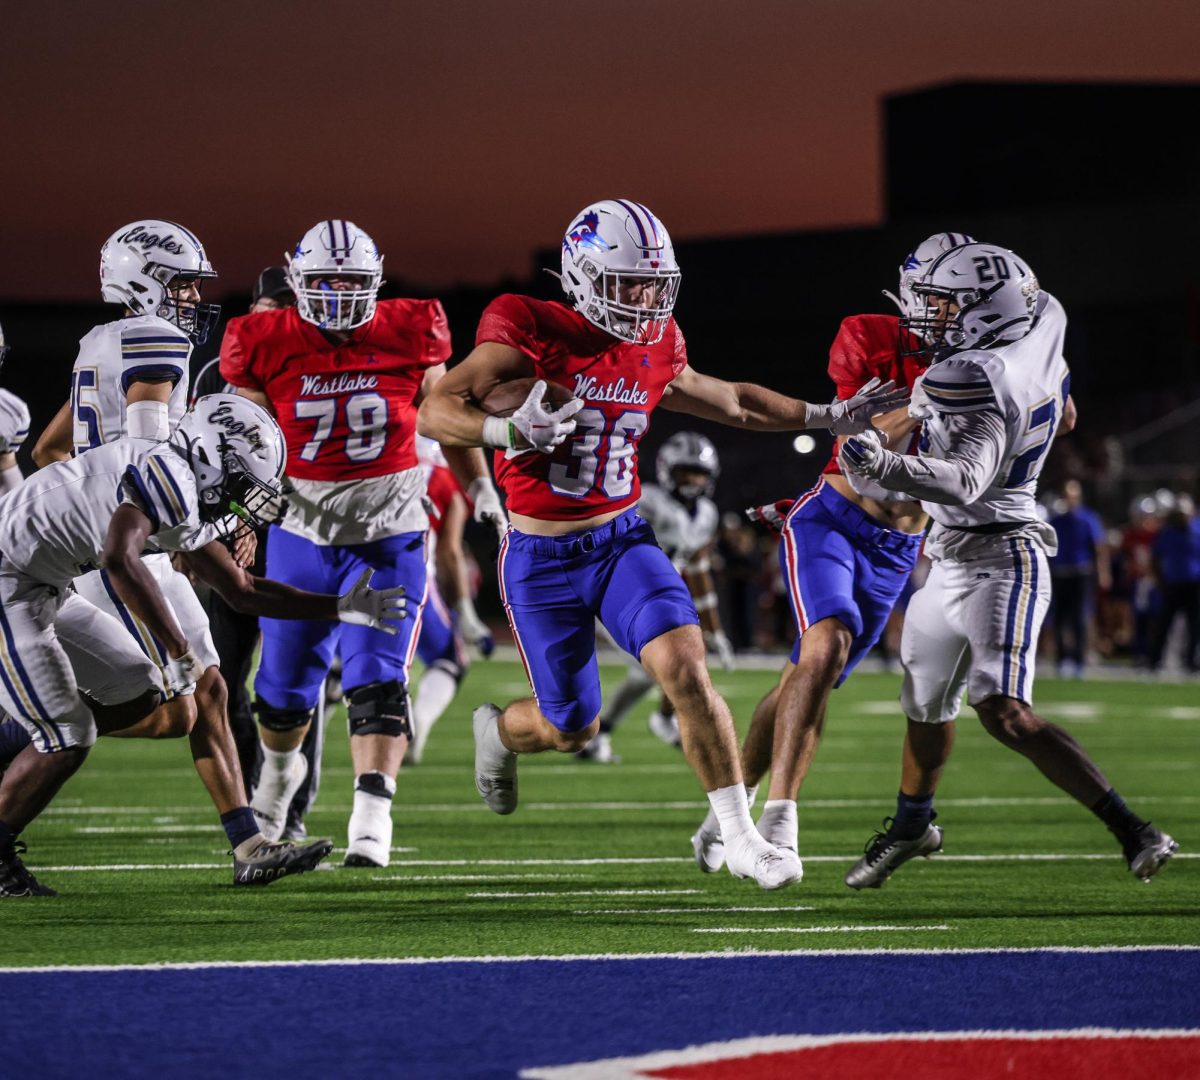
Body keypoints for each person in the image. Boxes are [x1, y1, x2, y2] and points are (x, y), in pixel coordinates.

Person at [417, 198, 907, 890]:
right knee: (571, 729)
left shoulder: (656, 342)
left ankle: (740, 837)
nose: (645, 298)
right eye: (628, 283)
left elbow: (732, 399)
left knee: (685, 664)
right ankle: (497, 733)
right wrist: (508, 433)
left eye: (654, 283)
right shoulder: (527, 328)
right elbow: (437, 409)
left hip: (622, 541)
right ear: (584, 275)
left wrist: (829, 415)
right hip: (539, 557)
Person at [837, 241, 1177, 887]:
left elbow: (964, 480)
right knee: (925, 703)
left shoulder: (971, 374)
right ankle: (913, 825)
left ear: (981, 312)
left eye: (942, 305)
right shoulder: (1044, 317)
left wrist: (885, 464)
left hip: (1004, 552)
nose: (929, 315)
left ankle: (1133, 829)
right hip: (950, 553)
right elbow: (1068, 414)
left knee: (1004, 710)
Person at [0, 395, 405, 896]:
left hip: (46, 586)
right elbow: (119, 558)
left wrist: (341, 606)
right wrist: (177, 649)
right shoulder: (169, 474)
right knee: (69, 734)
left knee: (141, 693)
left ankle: (20, 739)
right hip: (7, 580)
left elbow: (242, 590)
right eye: (243, 481)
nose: (249, 498)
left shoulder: (185, 482)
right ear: (213, 459)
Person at [26, 221, 320, 881]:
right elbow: (151, 452)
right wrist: (194, 520)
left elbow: (49, 451)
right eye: (181, 281)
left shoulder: (99, 341)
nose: (192, 296)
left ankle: (248, 845)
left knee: (208, 688)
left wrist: (64, 513)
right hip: (128, 543)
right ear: (143, 279)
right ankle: (25, 728)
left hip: (114, 532)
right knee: (167, 706)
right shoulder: (156, 338)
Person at [220, 220, 502, 867]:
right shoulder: (261, 339)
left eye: (352, 282)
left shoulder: (411, 328)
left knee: (378, 680)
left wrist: (479, 485)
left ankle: (372, 813)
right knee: (283, 688)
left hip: (387, 529)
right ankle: (279, 781)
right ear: (298, 282)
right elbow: (242, 437)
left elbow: (446, 418)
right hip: (301, 529)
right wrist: (242, 515)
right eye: (327, 282)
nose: (341, 294)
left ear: (376, 282)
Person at [689, 233, 969, 875]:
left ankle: (726, 814)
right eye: (937, 299)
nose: (946, 314)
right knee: (825, 647)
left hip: (900, 544)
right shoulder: (869, 335)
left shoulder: (991, 358)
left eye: (960, 302)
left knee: (800, 680)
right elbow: (863, 440)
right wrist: (936, 390)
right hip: (837, 518)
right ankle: (778, 828)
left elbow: (1056, 413)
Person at [190, 267, 316, 827]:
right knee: (224, 675)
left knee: (291, 682)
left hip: (295, 534)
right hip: (228, 537)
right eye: (268, 305)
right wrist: (211, 530)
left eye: (286, 308)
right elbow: (199, 459)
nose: (274, 318)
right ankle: (250, 800)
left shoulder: (311, 366)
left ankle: (290, 806)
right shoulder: (218, 373)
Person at [580, 431, 733, 763]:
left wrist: (716, 630)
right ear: (667, 470)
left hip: (651, 601)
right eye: (685, 471)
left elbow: (698, 568)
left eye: (698, 472)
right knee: (658, 664)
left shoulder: (706, 514)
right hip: (616, 595)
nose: (692, 479)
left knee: (650, 669)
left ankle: (600, 736)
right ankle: (660, 719)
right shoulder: (647, 500)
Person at [406, 436, 494, 765]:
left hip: (343, 573)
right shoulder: (441, 478)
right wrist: (467, 616)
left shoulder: (370, 460)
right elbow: (450, 553)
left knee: (340, 665)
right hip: (412, 576)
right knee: (450, 660)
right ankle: (420, 722)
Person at [1048, 479, 1110, 677]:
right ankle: (1062, 658)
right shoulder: (1056, 520)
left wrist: (1103, 572)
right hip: (1060, 573)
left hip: (1080, 572)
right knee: (1059, 618)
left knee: (1079, 617)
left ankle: (1079, 660)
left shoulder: (1088, 519)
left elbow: (1098, 548)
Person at [1149, 494, 1200, 673]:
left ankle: (1191, 661)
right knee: (1164, 624)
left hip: (1194, 585)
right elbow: (1155, 558)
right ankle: (1154, 660)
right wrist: (1160, 581)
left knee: (1195, 627)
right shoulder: (1167, 532)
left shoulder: (1197, 529)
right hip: (1172, 585)